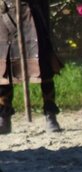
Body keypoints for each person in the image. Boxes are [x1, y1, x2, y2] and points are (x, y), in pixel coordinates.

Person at [0, 0, 63, 133]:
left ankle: (50, 112)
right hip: (5, 11)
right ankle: (3, 114)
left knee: (43, 66)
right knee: (4, 70)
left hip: (32, 11)